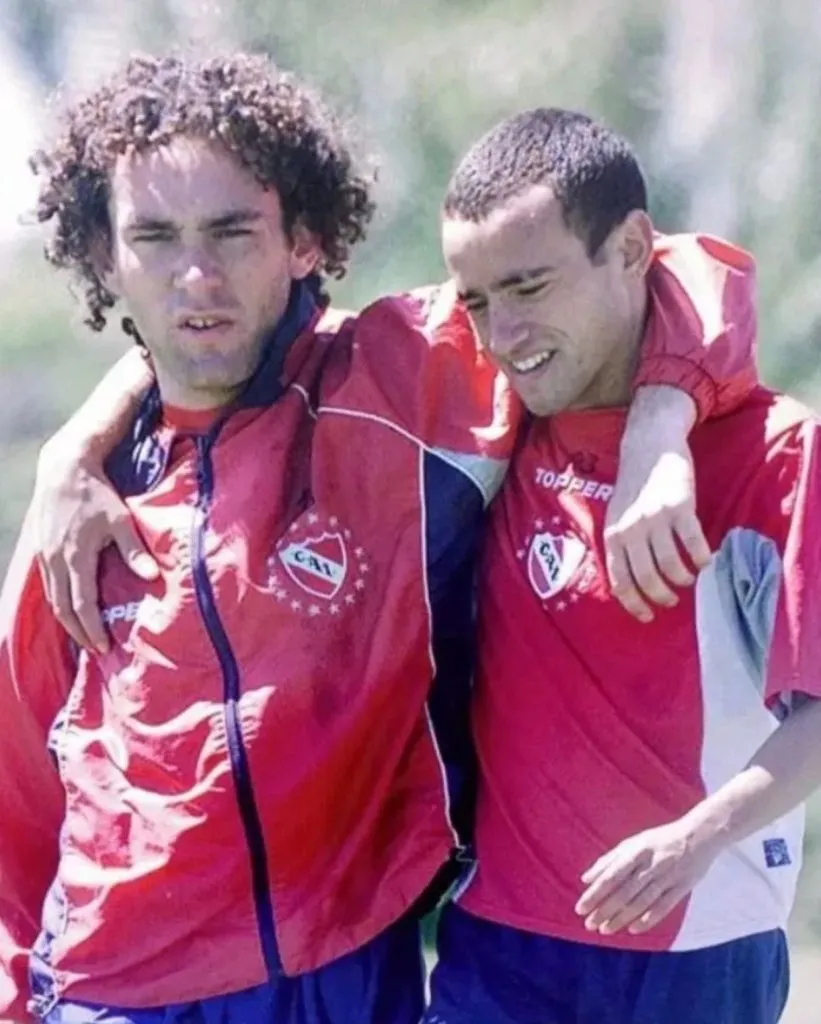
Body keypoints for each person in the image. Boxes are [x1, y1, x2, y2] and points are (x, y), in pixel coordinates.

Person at [1, 56, 753, 1024]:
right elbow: (19, 781)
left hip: (350, 964)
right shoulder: (86, 499)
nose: (197, 275)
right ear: (107, 258)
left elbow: (660, 265)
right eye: (153, 237)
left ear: (304, 238)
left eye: (234, 230)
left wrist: (658, 422)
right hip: (119, 986)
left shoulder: (410, 383)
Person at [420, 107, 821, 1024]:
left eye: (529, 286)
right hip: (497, 939)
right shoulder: (492, 424)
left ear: (634, 248)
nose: (500, 333)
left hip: (696, 941)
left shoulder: (777, 457)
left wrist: (696, 838)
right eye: (477, 300)